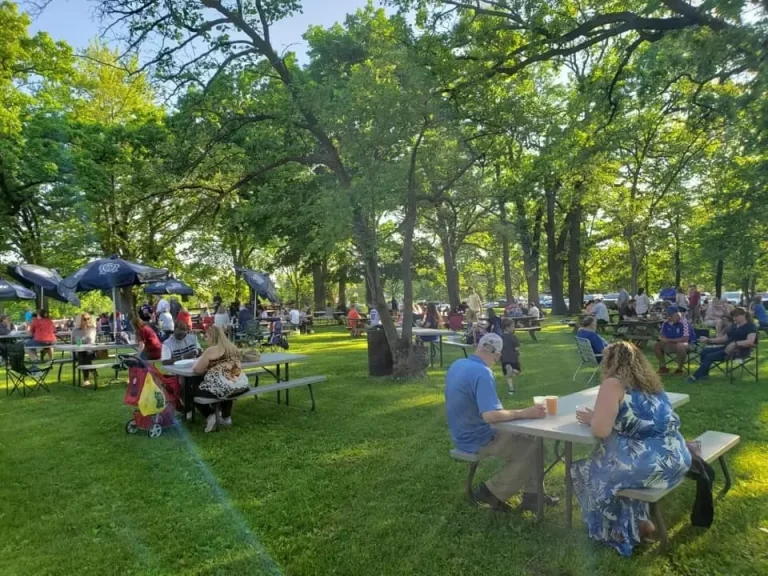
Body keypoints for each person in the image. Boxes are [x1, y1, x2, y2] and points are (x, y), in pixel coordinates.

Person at [572, 341, 691, 557]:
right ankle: (641, 520)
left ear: (608, 363)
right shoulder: (652, 385)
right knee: (619, 467)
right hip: (678, 459)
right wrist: (600, 417)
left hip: (649, 465)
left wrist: (595, 419)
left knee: (589, 469)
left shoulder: (612, 384)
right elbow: (641, 421)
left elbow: (601, 430)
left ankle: (618, 531)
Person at [445, 333, 555, 512]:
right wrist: (524, 413)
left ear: (478, 347)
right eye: (497, 357)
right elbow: (490, 416)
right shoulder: (483, 372)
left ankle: (533, 496)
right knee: (535, 446)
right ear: (496, 355)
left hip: (461, 433)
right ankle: (492, 491)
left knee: (532, 439)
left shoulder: (458, 364)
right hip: (479, 438)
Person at [192, 326, 250, 433]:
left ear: (213, 337)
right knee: (226, 384)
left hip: (223, 387)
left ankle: (210, 415)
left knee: (190, 391)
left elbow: (197, 370)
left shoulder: (211, 351)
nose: (205, 339)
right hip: (239, 385)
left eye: (206, 336)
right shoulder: (232, 347)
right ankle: (226, 417)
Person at [689, 307, 757, 382]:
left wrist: (735, 343)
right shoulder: (734, 326)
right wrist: (708, 340)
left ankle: (696, 376)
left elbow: (750, 341)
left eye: (736, 316)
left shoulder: (751, 326)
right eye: (733, 316)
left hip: (740, 351)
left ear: (743, 315)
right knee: (705, 351)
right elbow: (724, 339)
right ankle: (704, 374)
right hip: (726, 348)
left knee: (709, 356)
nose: (734, 318)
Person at [653, 306, 694, 375]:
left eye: (672, 316)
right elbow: (663, 337)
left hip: (688, 344)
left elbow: (685, 339)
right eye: (668, 316)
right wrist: (663, 339)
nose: (669, 318)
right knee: (656, 346)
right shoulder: (665, 323)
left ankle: (679, 369)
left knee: (680, 346)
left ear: (678, 314)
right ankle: (663, 367)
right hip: (671, 343)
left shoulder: (685, 323)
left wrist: (668, 340)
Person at [72, 313, 98, 386]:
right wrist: (80, 344)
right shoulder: (75, 330)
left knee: (83, 355)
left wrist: (82, 341)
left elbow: (91, 341)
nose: (86, 320)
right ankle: (92, 370)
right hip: (79, 352)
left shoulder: (92, 329)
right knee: (82, 354)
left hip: (90, 351)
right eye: (84, 319)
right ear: (79, 320)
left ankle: (86, 380)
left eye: (88, 319)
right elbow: (73, 343)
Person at [500, 319, 521, 395]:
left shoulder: (500, 338)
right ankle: (513, 370)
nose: (513, 328)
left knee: (508, 376)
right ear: (507, 328)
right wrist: (518, 354)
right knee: (518, 372)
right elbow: (517, 349)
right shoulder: (513, 337)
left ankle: (511, 389)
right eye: (512, 326)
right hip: (513, 359)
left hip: (504, 359)